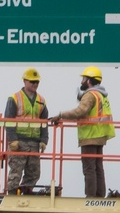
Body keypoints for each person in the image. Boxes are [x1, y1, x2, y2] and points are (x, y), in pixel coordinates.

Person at [49, 66, 115, 197]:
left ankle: (91, 196)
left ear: (89, 81)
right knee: (98, 167)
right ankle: (99, 195)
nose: (81, 82)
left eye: (84, 79)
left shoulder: (90, 95)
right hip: (100, 134)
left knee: (89, 167)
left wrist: (61, 115)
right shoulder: (101, 95)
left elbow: (81, 111)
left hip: (90, 135)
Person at [3, 68, 49, 194]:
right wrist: (12, 140)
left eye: (37, 82)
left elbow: (44, 123)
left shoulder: (41, 101)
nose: (35, 84)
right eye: (32, 82)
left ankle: (26, 191)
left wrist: (44, 140)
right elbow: (8, 120)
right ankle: (12, 194)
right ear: (24, 81)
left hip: (34, 142)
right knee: (15, 172)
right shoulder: (15, 98)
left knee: (34, 172)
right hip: (19, 142)